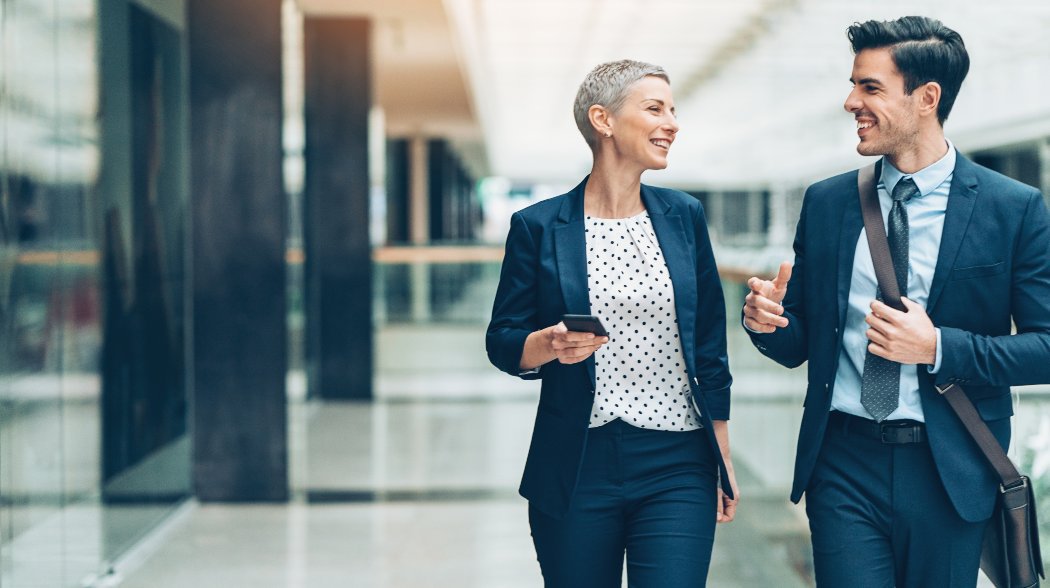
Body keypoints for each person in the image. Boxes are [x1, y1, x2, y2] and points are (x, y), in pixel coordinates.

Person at [743, 16, 1050, 586]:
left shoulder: (1014, 208)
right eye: (853, 84)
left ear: (927, 98)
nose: (850, 101)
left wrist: (938, 347)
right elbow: (800, 342)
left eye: (870, 87)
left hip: (951, 469)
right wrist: (766, 322)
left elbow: (1046, 347)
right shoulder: (828, 202)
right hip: (843, 462)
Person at [486, 59, 738, 587]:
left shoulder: (684, 216)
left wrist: (721, 456)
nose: (672, 122)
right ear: (603, 120)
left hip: (679, 461)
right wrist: (548, 342)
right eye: (655, 109)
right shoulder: (537, 226)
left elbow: (710, 345)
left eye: (673, 110)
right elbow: (503, 340)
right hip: (577, 463)